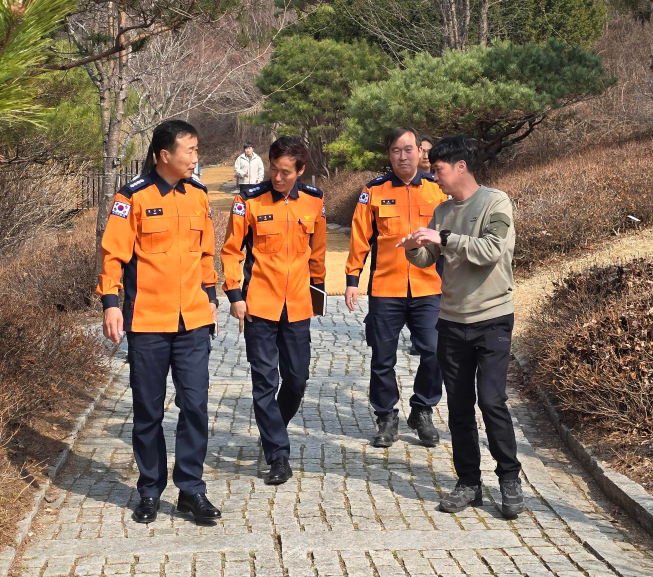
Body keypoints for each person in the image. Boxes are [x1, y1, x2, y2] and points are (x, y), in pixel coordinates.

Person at [96, 120, 222, 526]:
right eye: (190, 150)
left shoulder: (199, 195)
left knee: (195, 405)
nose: (195, 157)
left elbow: (207, 253)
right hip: (148, 321)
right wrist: (111, 304)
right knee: (148, 410)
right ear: (164, 155)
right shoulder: (131, 196)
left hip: (193, 322)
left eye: (196, 149)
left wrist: (212, 296)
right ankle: (150, 489)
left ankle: (191, 489)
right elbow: (112, 254)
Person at [399, 135, 525, 520]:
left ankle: (508, 477)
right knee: (458, 408)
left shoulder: (495, 202)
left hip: (492, 320)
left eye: (437, 169)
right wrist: (413, 247)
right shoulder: (441, 211)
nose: (434, 177)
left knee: (491, 400)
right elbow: (429, 257)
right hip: (451, 321)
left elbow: (492, 250)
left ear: (460, 167)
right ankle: (468, 482)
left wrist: (444, 237)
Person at [221, 136, 327, 485]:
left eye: (285, 172)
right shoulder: (248, 201)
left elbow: (318, 252)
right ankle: (278, 453)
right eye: (273, 169)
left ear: (300, 171)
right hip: (259, 305)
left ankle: (272, 429)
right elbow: (232, 250)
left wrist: (318, 291)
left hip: (297, 306)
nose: (277, 177)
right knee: (265, 381)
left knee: (296, 380)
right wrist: (235, 293)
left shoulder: (314, 202)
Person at [345, 127, 448, 448]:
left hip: (429, 287)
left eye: (408, 149)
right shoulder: (373, 191)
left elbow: (454, 235)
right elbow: (360, 237)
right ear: (388, 155)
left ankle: (422, 408)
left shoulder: (437, 189)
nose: (402, 156)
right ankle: (386, 416)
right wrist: (352, 280)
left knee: (435, 351)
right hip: (385, 288)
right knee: (383, 357)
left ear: (420, 151)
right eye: (395, 151)